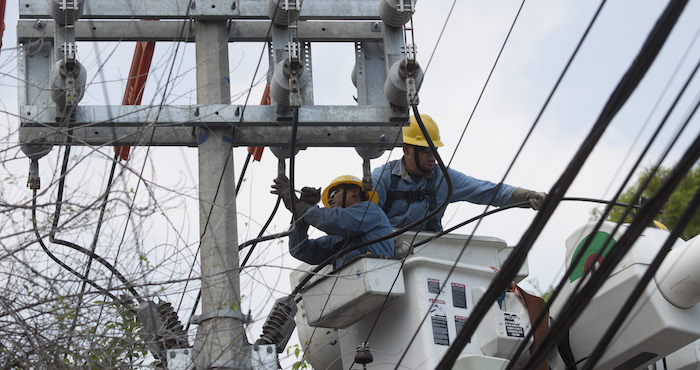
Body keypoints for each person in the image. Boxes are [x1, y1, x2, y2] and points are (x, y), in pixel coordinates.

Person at [371, 114, 547, 232]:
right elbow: (365, 217)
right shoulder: (384, 178)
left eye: (435, 149)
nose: (432, 155)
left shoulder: (444, 179)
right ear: (407, 150)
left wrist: (527, 197)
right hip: (387, 255)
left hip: (427, 255)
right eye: (426, 149)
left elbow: (488, 191)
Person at [271, 175, 395, 269]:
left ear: (355, 191)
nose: (330, 200)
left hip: (378, 278)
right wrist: (299, 216)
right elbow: (300, 250)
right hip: (353, 288)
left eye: (335, 193)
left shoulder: (371, 211)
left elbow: (334, 220)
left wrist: (300, 206)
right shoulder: (337, 238)